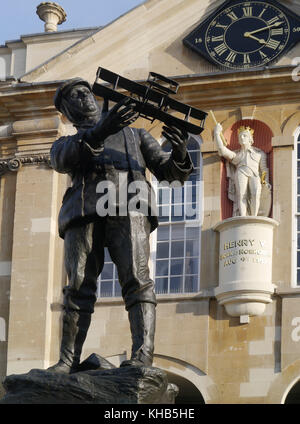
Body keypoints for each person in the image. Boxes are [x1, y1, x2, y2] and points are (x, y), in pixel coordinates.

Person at [48, 77, 193, 373]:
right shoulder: (66, 142)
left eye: (86, 93)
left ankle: (142, 355)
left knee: (137, 280)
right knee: (77, 285)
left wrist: (179, 153)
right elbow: (62, 160)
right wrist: (101, 130)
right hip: (86, 206)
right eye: (74, 97)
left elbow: (172, 176)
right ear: (67, 111)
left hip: (131, 201)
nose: (84, 98)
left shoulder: (136, 135)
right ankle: (67, 360)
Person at [214, 123, 271, 217]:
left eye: (244, 136)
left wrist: (265, 181)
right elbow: (222, 150)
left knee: (256, 194)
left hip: (255, 175)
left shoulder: (259, 153)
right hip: (241, 173)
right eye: (240, 136)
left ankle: (254, 217)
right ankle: (243, 217)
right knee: (241, 195)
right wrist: (217, 133)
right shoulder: (237, 155)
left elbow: (264, 170)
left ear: (250, 139)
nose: (242, 137)